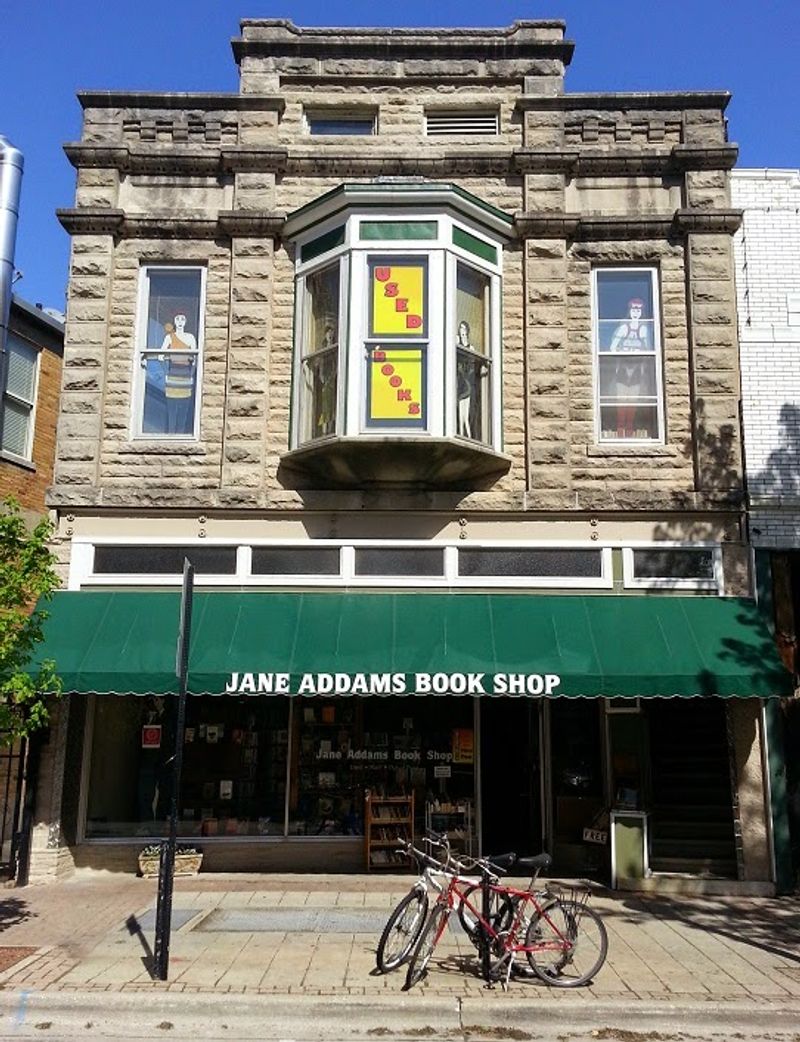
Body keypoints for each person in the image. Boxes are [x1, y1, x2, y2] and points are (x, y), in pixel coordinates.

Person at [609, 298, 648, 438]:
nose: (636, 312)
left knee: (633, 400)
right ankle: (620, 428)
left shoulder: (643, 329)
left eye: (638, 310)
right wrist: (622, 350)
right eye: (633, 310)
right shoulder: (624, 328)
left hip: (636, 369)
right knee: (621, 400)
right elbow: (612, 347)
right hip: (623, 369)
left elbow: (647, 349)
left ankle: (629, 428)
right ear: (630, 311)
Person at [160, 314, 197, 434]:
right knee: (172, 411)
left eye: (182, 319)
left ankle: (180, 435)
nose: (180, 322)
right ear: (174, 321)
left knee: (183, 411)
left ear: (185, 322)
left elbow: (195, 358)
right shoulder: (169, 337)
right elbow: (160, 356)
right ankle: (171, 435)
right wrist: (166, 372)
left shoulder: (190, 337)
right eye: (177, 319)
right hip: (172, 377)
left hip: (186, 377)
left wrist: (191, 374)